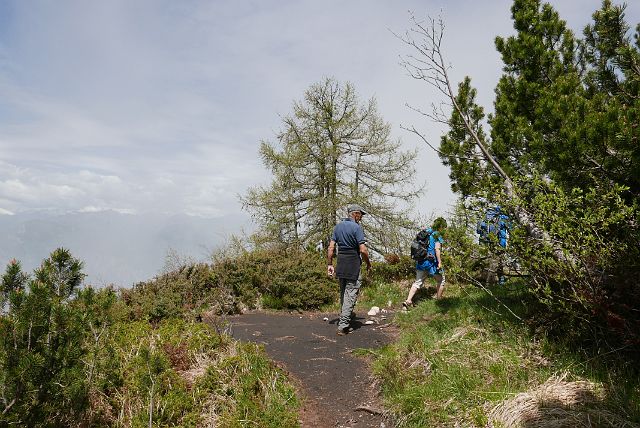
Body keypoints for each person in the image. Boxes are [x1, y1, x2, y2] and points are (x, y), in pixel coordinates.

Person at [327, 204, 372, 335]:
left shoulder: (337, 227)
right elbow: (363, 250)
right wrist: (368, 263)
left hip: (341, 263)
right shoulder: (356, 228)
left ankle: (346, 316)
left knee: (344, 292)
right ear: (355, 214)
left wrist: (330, 264)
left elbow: (331, 248)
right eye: (361, 215)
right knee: (351, 294)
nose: (361, 218)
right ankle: (343, 326)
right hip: (353, 264)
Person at [403, 217, 447, 308]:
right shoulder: (437, 234)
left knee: (418, 282)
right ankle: (439, 301)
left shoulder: (425, 231)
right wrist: (439, 262)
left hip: (421, 261)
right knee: (441, 280)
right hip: (432, 262)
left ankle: (408, 301)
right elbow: (437, 249)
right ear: (441, 226)